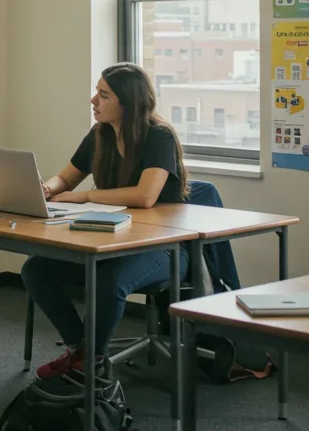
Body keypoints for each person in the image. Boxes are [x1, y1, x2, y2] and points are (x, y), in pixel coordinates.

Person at [21, 63, 190, 379]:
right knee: (36, 270)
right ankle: (80, 350)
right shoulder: (100, 134)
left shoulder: (159, 136)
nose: (93, 101)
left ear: (127, 102)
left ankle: (91, 360)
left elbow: (145, 197)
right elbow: (66, 178)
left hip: (163, 247)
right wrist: (47, 188)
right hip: (111, 240)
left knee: (109, 282)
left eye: (103, 95)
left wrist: (86, 197)